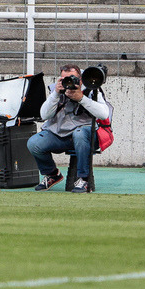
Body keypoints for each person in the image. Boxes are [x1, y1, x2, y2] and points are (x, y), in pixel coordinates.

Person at [28, 64, 112, 194]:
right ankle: (52, 174)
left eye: (72, 78)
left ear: (80, 78)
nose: (69, 82)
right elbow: (44, 115)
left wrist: (81, 98)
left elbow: (103, 114)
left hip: (86, 136)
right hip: (61, 136)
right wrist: (56, 93)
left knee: (79, 133)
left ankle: (84, 179)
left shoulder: (90, 90)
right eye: (64, 79)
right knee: (34, 143)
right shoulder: (57, 90)